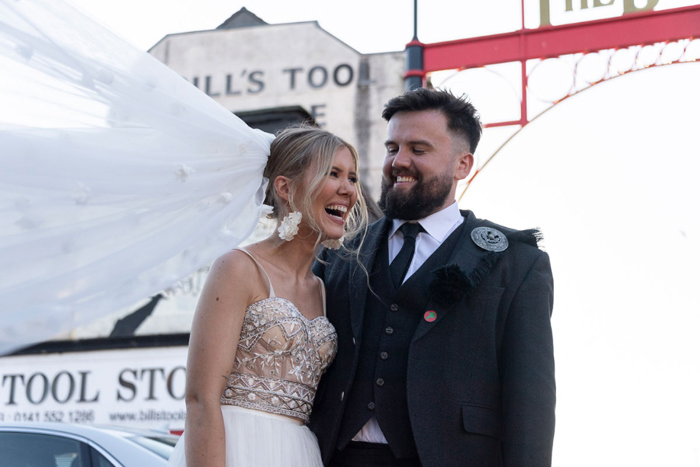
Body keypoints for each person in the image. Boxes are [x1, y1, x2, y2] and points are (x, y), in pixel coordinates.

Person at [311, 88, 556, 466]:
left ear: (462, 164)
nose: (399, 162)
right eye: (392, 148)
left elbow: (530, 403)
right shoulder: (337, 255)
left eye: (418, 150)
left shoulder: (516, 264)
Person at [165, 125, 369, 466]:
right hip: (235, 448)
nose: (348, 189)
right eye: (333, 174)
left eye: (352, 177)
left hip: (299, 453)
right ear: (285, 188)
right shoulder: (237, 267)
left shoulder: (322, 288)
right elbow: (201, 400)